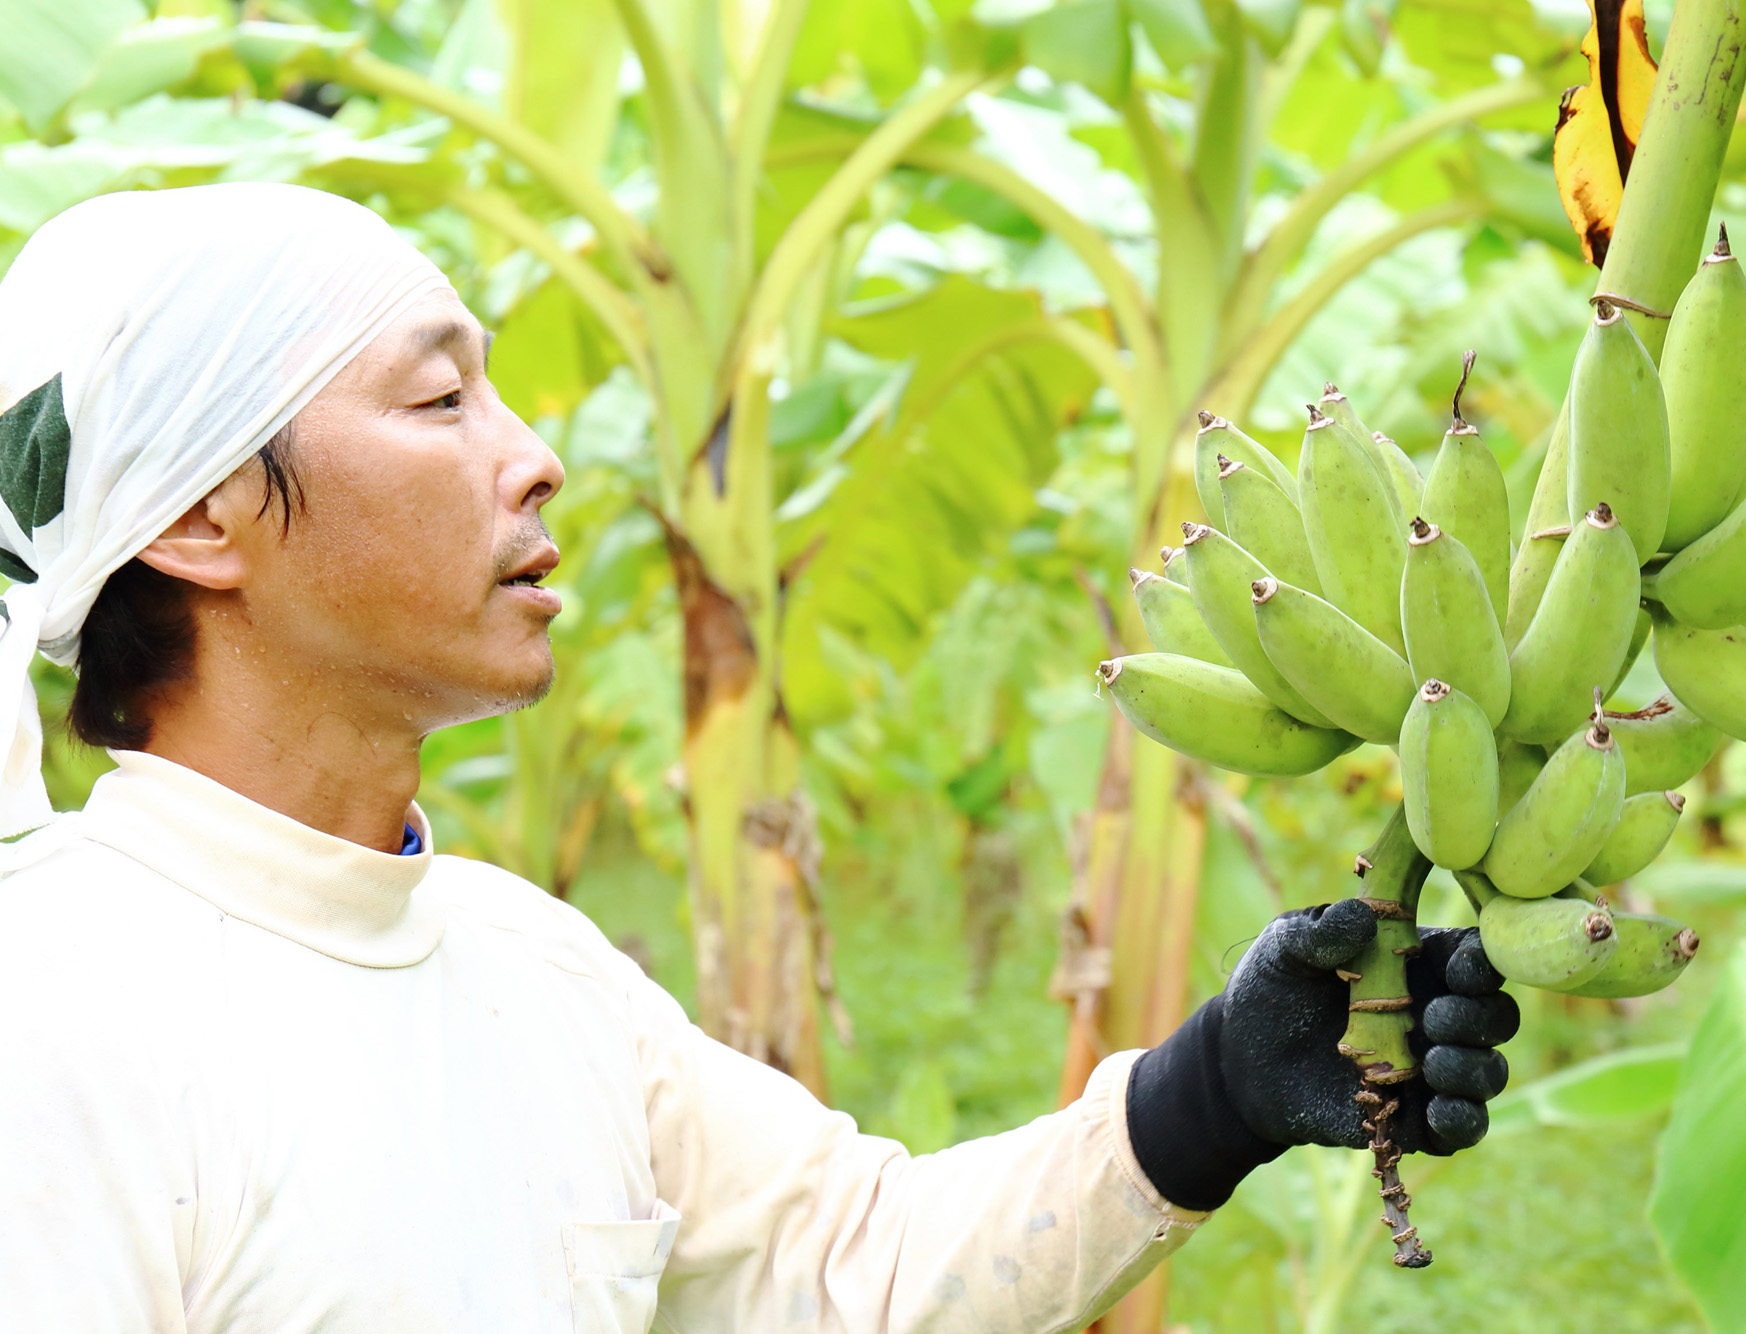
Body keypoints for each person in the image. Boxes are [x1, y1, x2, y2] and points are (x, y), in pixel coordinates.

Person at [0, 183, 1514, 1333]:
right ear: (203, 521)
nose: (532, 455)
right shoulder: (62, 1019)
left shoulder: (529, 966)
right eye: (439, 399)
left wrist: (1212, 1093)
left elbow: (849, 1256)